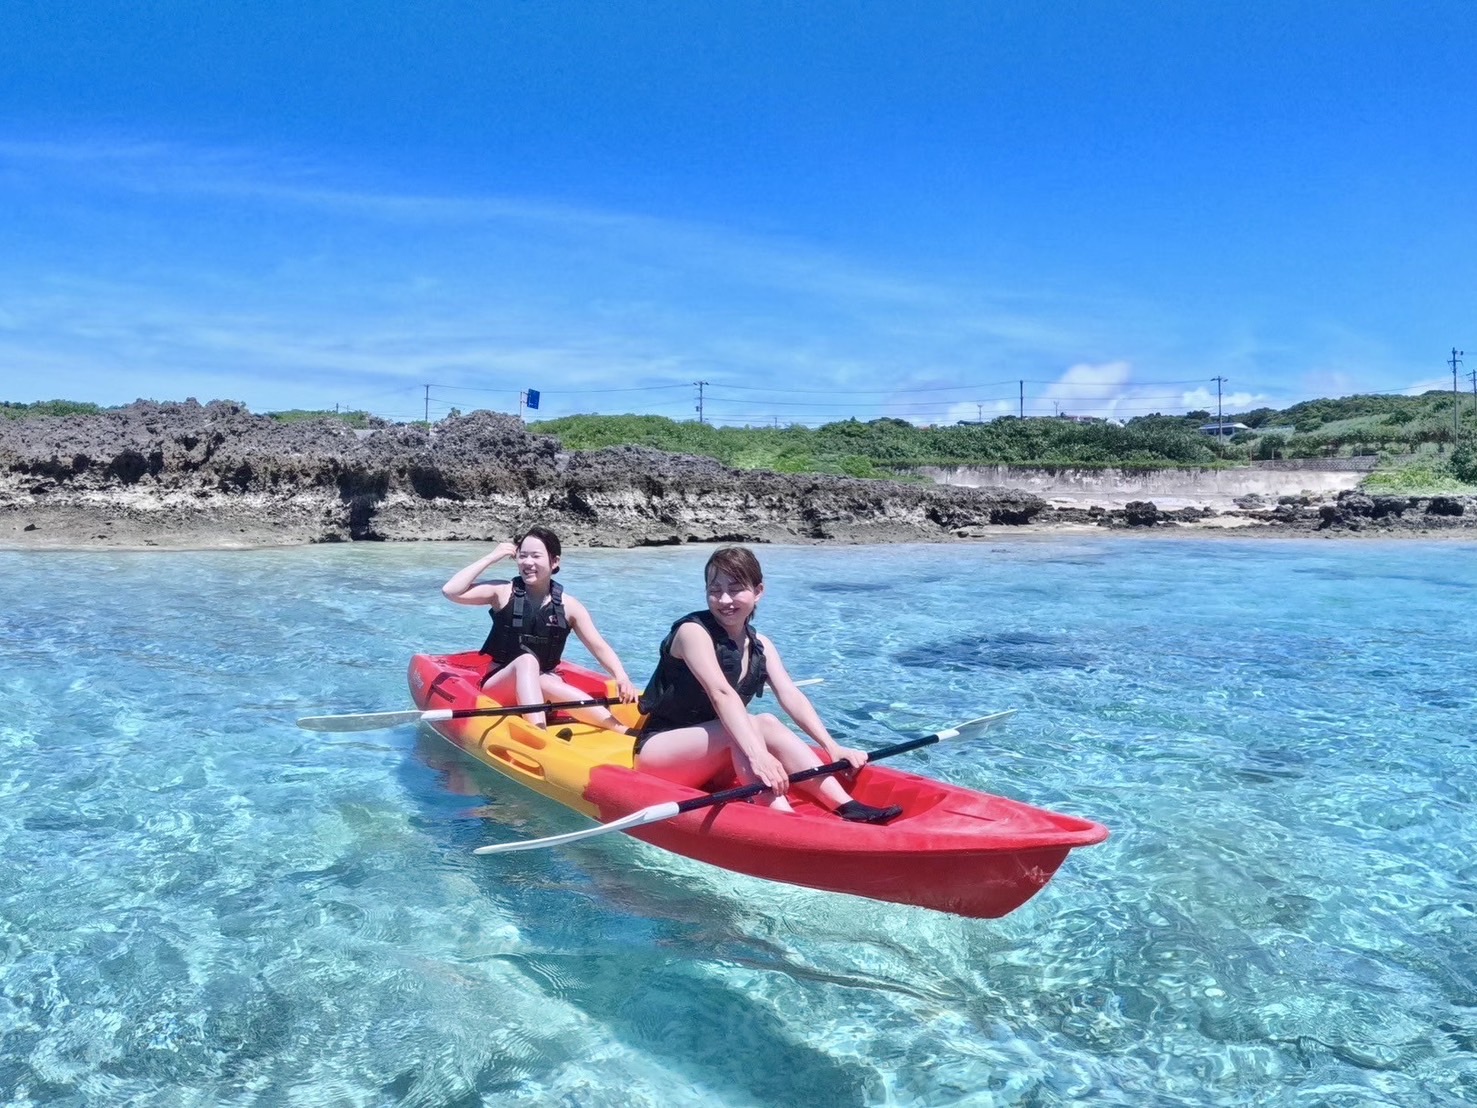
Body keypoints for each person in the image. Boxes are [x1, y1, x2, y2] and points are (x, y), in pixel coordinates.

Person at [635, 545, 902, 824]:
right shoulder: (692, 632)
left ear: (758, 591)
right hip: (661, 754)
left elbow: (790, 695)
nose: (724, 599)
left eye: (736, 589)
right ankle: (782, 817)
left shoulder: (761, 645)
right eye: (715, 590)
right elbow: (721, 694)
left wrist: (831, 746)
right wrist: (758, 755)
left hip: (713, 757)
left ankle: (846, 805)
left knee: (768, 720)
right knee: (746, 725)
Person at [442, 527, 636, 732]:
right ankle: (539, 732)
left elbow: (598, 646)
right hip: (499, 688)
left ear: (554, 562)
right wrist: (492, 557)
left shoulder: (570, 607)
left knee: (546, 680)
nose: (528, 562)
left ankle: (623, 731)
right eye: (522, 556)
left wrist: (621, 676)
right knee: (527, 661)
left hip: (542, 688)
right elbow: (450, 591)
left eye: (536, 556)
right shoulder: (501, 592)